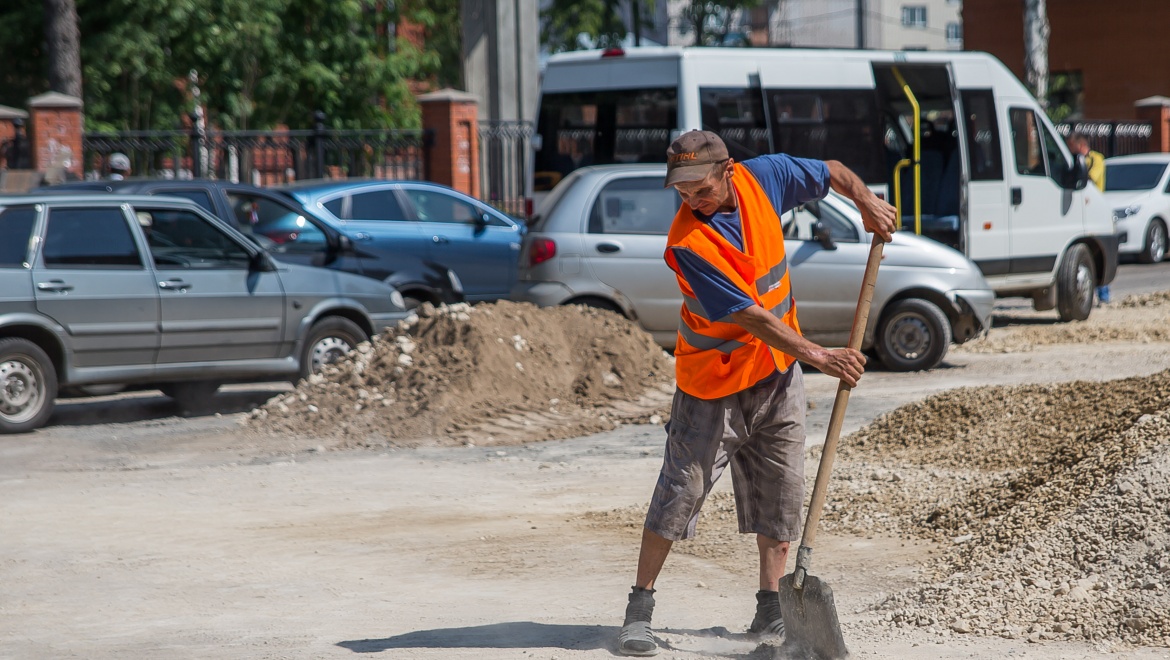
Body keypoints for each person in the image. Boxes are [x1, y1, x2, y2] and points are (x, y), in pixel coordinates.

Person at [616, 130, 897, 657]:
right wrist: (821, 356)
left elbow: (833, 168)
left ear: (728, 169)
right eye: (680, 191)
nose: (691, 200)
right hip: (712, 385)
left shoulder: (763, 179)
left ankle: (771, 609)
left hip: (776, 374)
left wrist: (865, 201)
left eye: (699, 187)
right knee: (681, 492)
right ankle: (639, 609)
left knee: (783, 495)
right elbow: (751, 315)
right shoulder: (686, 244)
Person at [1065, 132, 1109, 304]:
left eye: (1071, 145)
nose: (1069, 149)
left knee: (1097, 250)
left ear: (1081, 145)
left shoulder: (1096, 159)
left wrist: (1080, 163)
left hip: (1094, 209)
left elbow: (1091, 177)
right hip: (1077, 209)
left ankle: (1104, 295)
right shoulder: (1071, 160)